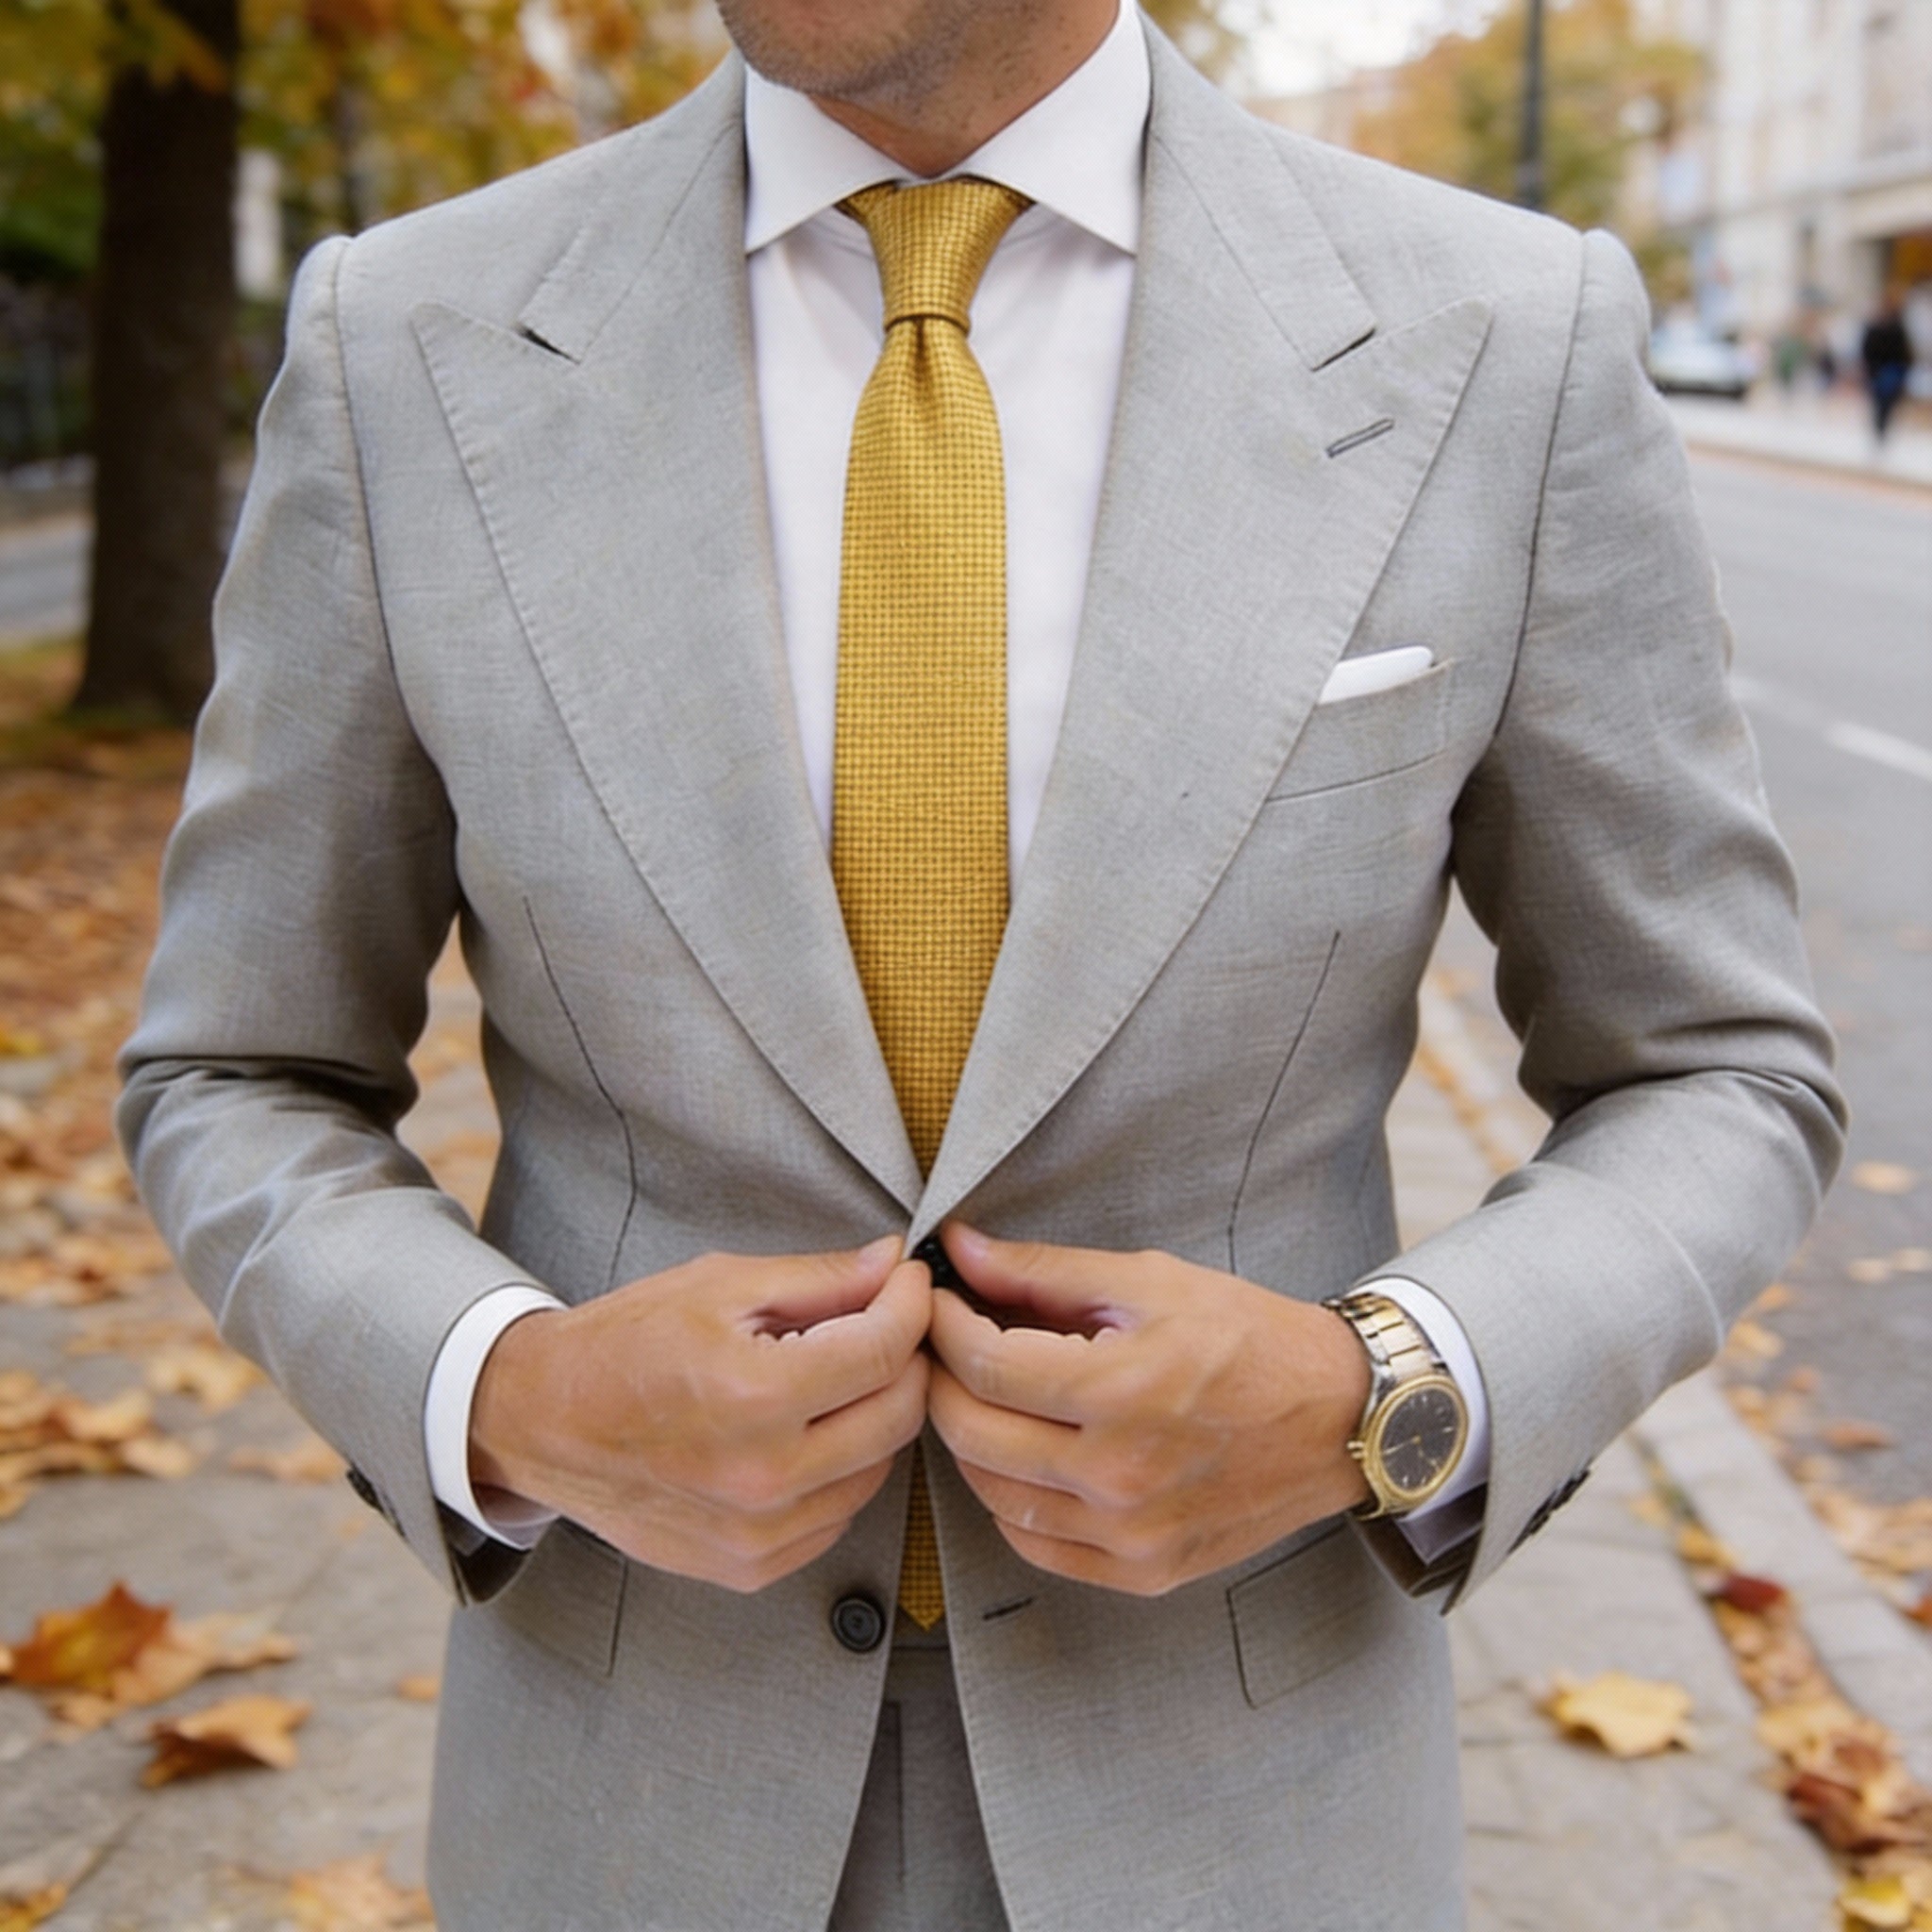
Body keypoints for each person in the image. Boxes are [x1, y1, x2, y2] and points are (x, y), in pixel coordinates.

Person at [119, 1, 1843, 1925]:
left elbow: (1714, 1069)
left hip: (1246, 1801)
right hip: (628, 1799)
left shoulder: (1504, 339)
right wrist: (502, 1392)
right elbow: (236, 1065)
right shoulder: (405, 343)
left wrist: (1385, 1394)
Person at [1861, 290, 1915, 442]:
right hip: (1883, 370)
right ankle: (1880, 430)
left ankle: (1880, 429)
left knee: (1884, 403)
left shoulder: (1895, 325)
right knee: (1882, 402)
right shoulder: (1887, 325)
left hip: (1887, 370)